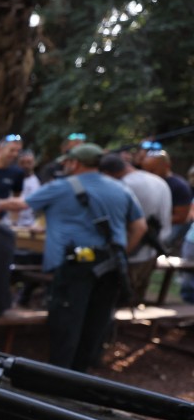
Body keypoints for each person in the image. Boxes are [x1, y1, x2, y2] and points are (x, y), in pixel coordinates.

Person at [29, 143, 145, 372]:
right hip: (111, 265)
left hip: (77, 264)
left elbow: (25, 204)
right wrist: (122, 252)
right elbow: (139, 227)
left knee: (67, 319)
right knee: (98, 320)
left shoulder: (62, 187)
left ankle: (59, 376)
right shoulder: (121, 188)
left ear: (75, 163)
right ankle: (83, 376)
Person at [100, 152, 171, 306]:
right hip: (152, 250)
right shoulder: (158, 181)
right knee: (136, 296)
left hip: (130, 250)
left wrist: (124, 252)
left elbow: (134, 226)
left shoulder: (124, 185)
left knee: (117, 300)